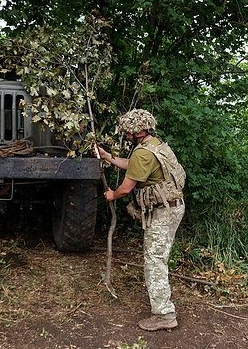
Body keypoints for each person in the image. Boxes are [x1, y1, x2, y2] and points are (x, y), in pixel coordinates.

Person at [95, 109, 186, 331]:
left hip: (164, 212)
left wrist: (112, 195)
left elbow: (126, 188)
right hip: (171, 208)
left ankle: (164, 314)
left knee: (155, 261)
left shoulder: (143, 153)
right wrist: (108, 157)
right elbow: (134, 165)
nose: (126, 135)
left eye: (128, 132)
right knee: (157, 258)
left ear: (138, 132)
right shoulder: (154, 145)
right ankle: (163, 310)